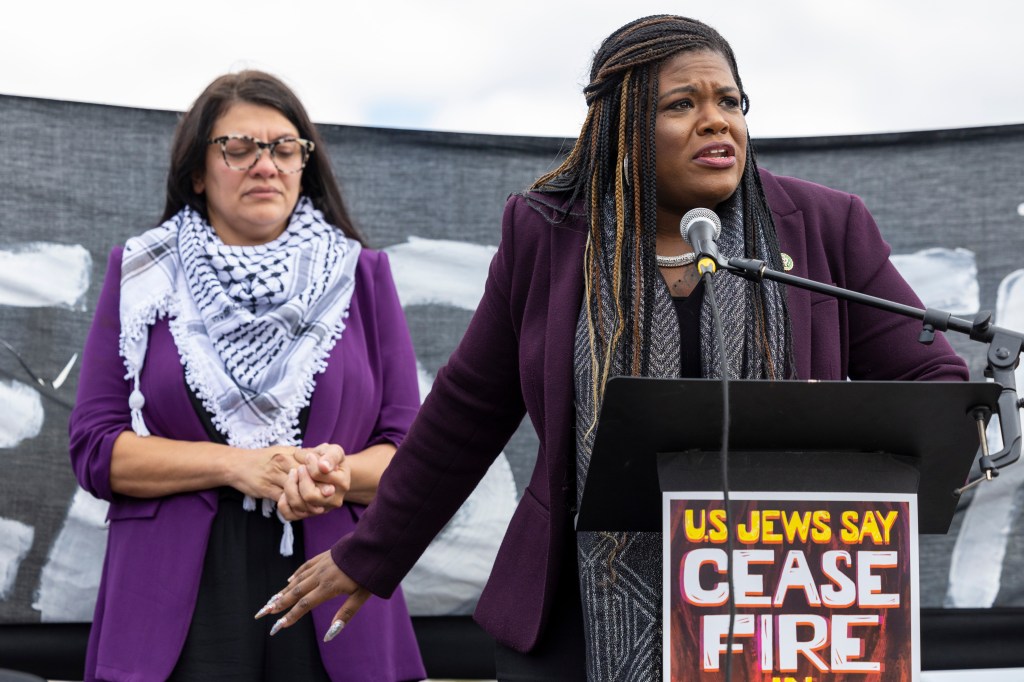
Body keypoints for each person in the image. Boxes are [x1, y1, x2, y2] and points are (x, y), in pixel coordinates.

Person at [258, 15, 969, 681]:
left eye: (730, 100)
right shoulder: (549, 231)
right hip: (578, 616)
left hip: (780, 600)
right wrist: (371, 552)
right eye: (682, 104)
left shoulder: (820, 225)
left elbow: (931, 376)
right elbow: (468, 410)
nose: (717, 119)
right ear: (623, 126)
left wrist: (826, 440)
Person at [68, 70, 425, 681]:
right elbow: (96, 451)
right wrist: (237, 465)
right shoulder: (141, 274)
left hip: (332, 581)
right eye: (240, 148)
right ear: (198, 173)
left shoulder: (362, 276)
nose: (266, 165)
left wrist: (327, 476)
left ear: (304, 166)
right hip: (171, 601)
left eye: (285, 148)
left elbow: (412, 457)